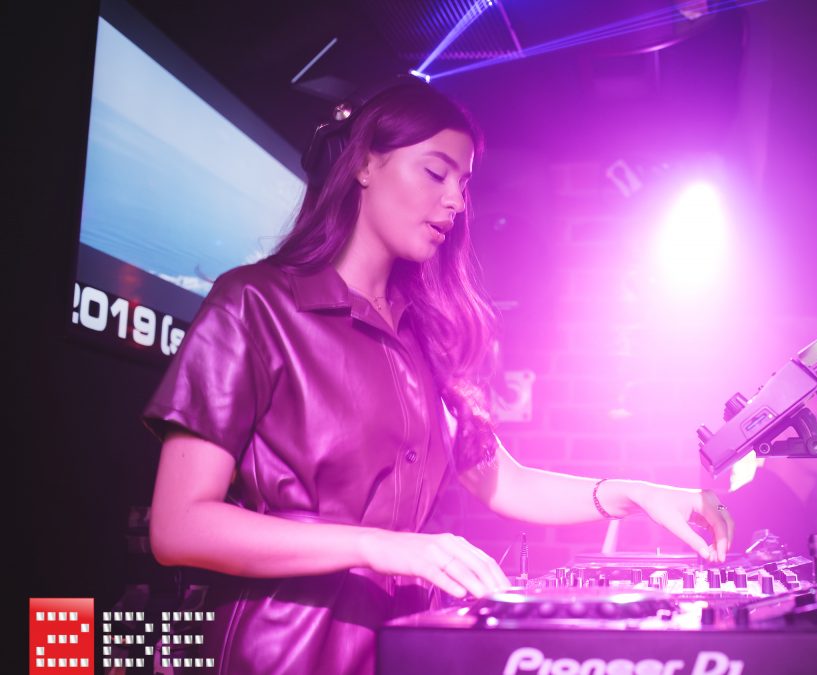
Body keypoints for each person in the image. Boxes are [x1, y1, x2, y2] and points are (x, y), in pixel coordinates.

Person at [144, 78, 734, 675]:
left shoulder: (424, 336)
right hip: (281, 655)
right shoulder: (255, 303)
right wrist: (378, 546)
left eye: (464, 184)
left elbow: (504, 482)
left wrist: (635, 493)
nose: (455, 200)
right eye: (435, 173)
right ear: (365, 164)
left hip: (401, 647)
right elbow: (179, 526)